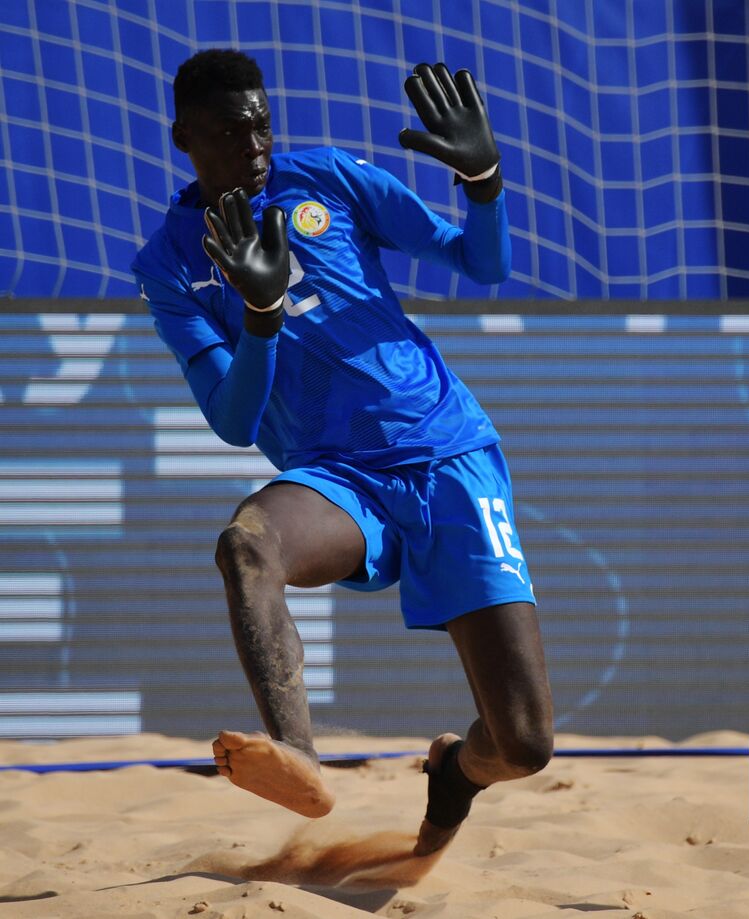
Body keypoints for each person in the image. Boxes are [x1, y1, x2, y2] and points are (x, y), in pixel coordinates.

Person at [131, 49, 552, 857]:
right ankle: (298, 755)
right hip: (337, 480)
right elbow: (232, 417)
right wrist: (260, 314)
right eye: (229, 130)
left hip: (448, 453)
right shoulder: (170, 263)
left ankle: (455, 774)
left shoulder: (327, 178)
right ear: (184, 136)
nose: (253, 144)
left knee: (525, 744)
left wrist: (486, 182)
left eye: (261, 125)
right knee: (246, 545)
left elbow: (483, 262)